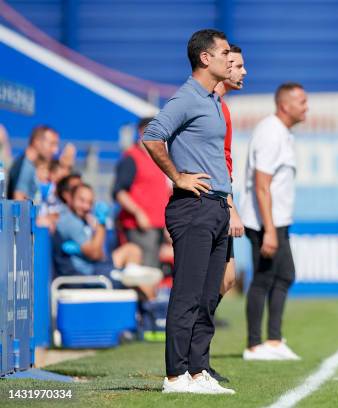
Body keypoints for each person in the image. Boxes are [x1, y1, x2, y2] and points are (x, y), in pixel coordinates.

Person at [142, 29, 235, 395]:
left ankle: (198, 371)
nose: (230, 59)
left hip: (215, 207)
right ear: (205, 58)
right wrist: (177, 176)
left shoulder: (212, 100)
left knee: (208, 295)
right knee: (188, 294)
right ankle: (175, 375)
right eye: (225, 52)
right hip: (193, 208)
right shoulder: (187, 97)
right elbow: (152, 135)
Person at [240, 82, 308, 361]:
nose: (307, 107)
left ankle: (274, 340)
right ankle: (255, 345)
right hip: (264, 222)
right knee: (264, 279)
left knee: (285, 275)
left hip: (277, 220)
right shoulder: (270, 133)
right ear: (284, 105)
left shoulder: (283, 133)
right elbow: (261, 185)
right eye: (301, 101)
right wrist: (269, 229)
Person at [53, 183, 162, 299]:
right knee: (142, 286)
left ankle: (130, 274)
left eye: (90, 203)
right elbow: (95, 254)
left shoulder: (82, 220)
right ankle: (150, 308)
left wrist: (88, 250)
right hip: (87, 276)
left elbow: (100, 254)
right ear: (70, 198)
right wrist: (101, 223)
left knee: (132, 250)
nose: (86, 206)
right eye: (81, 200)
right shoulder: (71, 222)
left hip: (95, 267)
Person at [211, 44, 247, 331]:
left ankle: (198, 351)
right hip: (210, 202)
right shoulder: (208, 106)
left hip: (222, 198)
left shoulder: (223, 107)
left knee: (227, 279)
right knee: (213, 279)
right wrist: (231, 208)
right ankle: (193, 357)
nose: (243, 71)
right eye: (236, 65)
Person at [113, 118, 171, 268]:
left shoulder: (157, 159)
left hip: (157, 227)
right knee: (143, 272)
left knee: (153, 271)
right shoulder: (131, 158)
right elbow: (119, 192)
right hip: (140, 227)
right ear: (142, 132)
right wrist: (138, 213)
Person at [8, 125, 59, 201]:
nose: (55, 150)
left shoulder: (29, 165)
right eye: (52, 144)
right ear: (37, 142)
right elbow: (19, 201)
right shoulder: (25, 166)